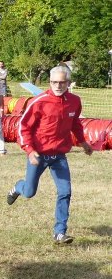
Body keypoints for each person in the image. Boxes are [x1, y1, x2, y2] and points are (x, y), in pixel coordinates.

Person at [6, 65, 93, 244]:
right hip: (38, 155)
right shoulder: (39, 101)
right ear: (50, 82)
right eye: (54, 82)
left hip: (59, 156)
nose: (58, 86)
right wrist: (30, 151)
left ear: (68, 83)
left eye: (62, 82)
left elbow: (75, 124)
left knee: (65, 192)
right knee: (29, 192)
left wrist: (83, 143)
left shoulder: (74, 101)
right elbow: (23, 127)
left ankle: (59, 232)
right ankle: (18, 187)